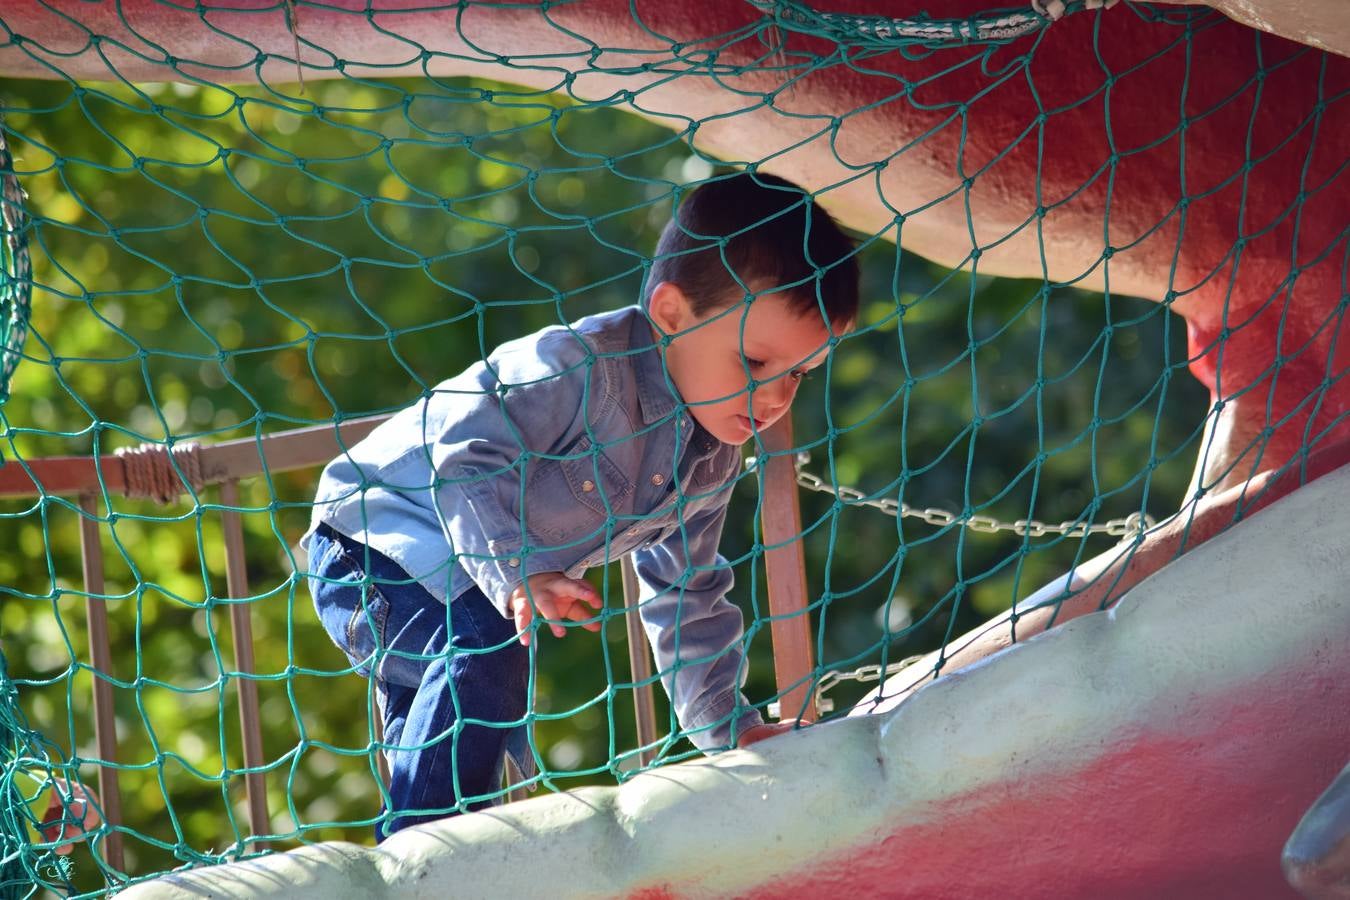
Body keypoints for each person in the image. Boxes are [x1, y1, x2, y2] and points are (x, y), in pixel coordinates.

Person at [303, 171, 859, 838]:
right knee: (486, 649)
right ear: (671, 312)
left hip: (456, 578)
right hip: (375, 537)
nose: (774, 400)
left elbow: (688, 593)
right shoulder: (575, 367)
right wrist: (520, 571)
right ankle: (419, 871)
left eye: (798, 374)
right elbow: (462, 454)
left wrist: (731, 731)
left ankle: (432, 853)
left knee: (457, 750)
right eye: (754, 362)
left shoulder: (711, 459)